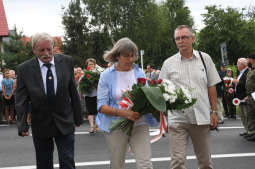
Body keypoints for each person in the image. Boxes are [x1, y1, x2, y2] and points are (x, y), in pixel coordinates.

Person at [16, 32, 83, 169]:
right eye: (42, 50)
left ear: (53, 47)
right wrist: (22, 124)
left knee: (67, 161)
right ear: (34, 50)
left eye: (49, 49)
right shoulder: (24, 69)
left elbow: (73, 91)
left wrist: (78, 116)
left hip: (65, 120)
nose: (46, 53)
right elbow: (21, 100)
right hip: (40, 123)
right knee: (44, 164)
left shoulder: (66, 61)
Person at [159, 25, 220, 169]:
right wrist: (163, 117)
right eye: (177, 38)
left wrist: (214, 111)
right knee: (177, 162)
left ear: (193, 39)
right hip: (177, 119)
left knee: (205, 162)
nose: (181, 41)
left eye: (184, 37)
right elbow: (161, 91)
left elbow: (211, 86)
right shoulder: (168, 63)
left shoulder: (205, 59)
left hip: (201, 116)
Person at [96, 37, 157, 169]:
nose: (131, 59)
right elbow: (101, 106)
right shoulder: (106, 75)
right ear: (117, 56)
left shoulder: (139, 71)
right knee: (117, 165)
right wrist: (125, 113)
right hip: (116, 125)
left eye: (133, 56)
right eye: (126, 56)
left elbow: (147, 95)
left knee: (145, 164)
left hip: (139, 123)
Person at [232, 58, 249, 136]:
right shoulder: (241, 72)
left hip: (245, 97)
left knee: (247, 115)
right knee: (243, 116)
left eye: (238, 63)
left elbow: (247, 84)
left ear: (243, 64)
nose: (237, 65)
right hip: (240, 98)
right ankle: (247, 130)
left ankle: (250, 131)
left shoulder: (247, 72)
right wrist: (234, 87)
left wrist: (237, 82)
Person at [84, 58, 99, 134]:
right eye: (89, 64)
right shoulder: (85, 73)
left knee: (97, 110)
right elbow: (81, 83)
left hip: (96, 94)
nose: (90, 65)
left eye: (92, 64)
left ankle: (97, 125)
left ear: (94, 65)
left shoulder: (97, 73)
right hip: (88, 94)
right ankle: (91, 126)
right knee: (90, 111)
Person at [244, 54, 255, 141]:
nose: (247, 61)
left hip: (254, 95)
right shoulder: (251, 70)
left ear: (252, 60)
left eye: (247, 59)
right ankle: (252, 132)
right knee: (251, 115)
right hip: (250, 95)